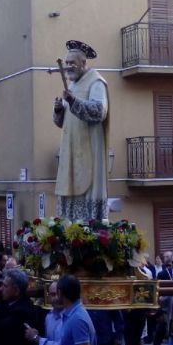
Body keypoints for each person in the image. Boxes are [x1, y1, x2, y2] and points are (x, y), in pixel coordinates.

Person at [53, 40, 109, 222]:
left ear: (84, 64)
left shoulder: (96, 83)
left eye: (72, 63)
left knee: (86, 186)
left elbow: (99, 111)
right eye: (67, 62)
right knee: (69, 187)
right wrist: (58, 110)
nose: (68, 67)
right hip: (70, 149)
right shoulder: (72, 86)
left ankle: (88, 225)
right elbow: (64, 122)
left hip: (89, 149)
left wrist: (74, 102)